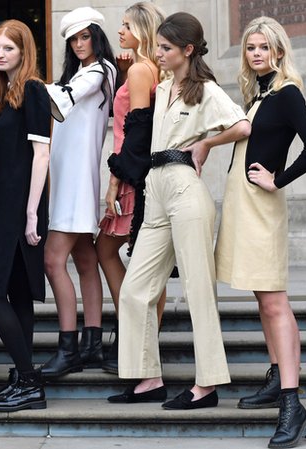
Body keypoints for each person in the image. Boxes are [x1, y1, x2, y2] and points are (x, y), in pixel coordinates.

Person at [110, 12, 250, 410]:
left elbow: (242, 126)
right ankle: (149, 379)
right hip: (155, 189)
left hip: (186, 190)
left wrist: (207, 144)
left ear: (188, 50)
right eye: (158, 46)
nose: (159, 53)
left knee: (197, 291)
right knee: (135, 291)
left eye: (166, 48)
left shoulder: (204, 88)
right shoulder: (165, 85)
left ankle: (207, 385)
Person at [215, 16, 306, 448]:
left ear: (278, 51)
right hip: (245, 205)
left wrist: (278, 179)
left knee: (275, 301)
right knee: (264, 300)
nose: (256, 53)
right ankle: (278, 375)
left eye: (264, 47)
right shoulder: (258, 93)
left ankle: (291, 404)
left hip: (262, 207)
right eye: (250, 47)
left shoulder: (286, 92)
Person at [0, 19, 52, 413]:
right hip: (3, 205)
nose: (1, 54)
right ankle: (24, 379)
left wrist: (30, 214)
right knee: (18, 293)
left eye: (9, 48)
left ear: (24, 52)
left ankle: (28, 380)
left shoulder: (35, 91)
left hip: (22, 206)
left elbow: (42, 155)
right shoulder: (4, 94)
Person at [39, 6, 117, 378]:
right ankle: (92, 344)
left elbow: (57, 98)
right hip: (68, 178)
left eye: (85, 36)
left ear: (96, 37)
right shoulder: (85, 72)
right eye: (74, 38)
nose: (80, 43)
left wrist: (28, 84)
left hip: (75, 182)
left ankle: (68, 346)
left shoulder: (99, 71)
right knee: (85, 261)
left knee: (53, 261)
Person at [97, 1, 166, 376]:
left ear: (142, 29)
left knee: (108, 250)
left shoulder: (141, 69)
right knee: (143, 263)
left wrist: (114, 180)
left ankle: (133, 330)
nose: (119, 32)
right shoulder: (146, 68)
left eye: (126, 25)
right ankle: (140, 335)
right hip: (141, 174)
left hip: (131, 177)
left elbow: (136, 131)